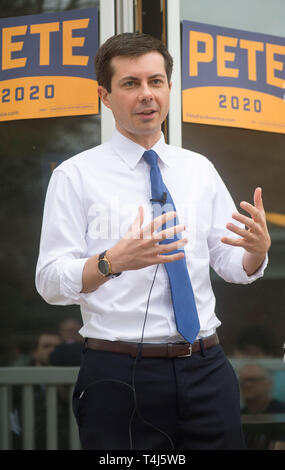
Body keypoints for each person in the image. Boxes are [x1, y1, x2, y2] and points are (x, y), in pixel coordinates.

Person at [35, 32, 271, 450]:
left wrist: (255, 252)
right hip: (119, 374)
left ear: (169, 88)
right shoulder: (75, 176)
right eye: (131, 84)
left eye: (156, 81)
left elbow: (229, 264)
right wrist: (110, 261)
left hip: (206, 368)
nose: (146, 95)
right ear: (105, 96)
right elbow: (50, 281)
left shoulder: (198, 168)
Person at [239, 364, 285, 449]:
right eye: (243, 381)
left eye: (253, 380)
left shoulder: (282, 413)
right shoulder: (237, 415)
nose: (247, 385)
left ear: (268, 384)